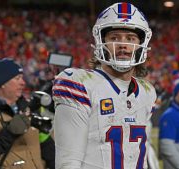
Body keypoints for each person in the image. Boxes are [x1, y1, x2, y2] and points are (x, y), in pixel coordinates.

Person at [52, 2, 156, 169]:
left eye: (130, 38)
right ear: (101, 41)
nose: (123, 44)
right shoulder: (80, 84)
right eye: (114, 37)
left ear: (141, 44)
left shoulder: (146, 92)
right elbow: (68, 162)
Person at [0, 58, 55, 169]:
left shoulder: (29, 109)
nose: (23, 82)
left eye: (22, 78)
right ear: (3, 83)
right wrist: (10, 132)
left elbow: (48, 150)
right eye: (17, 78)